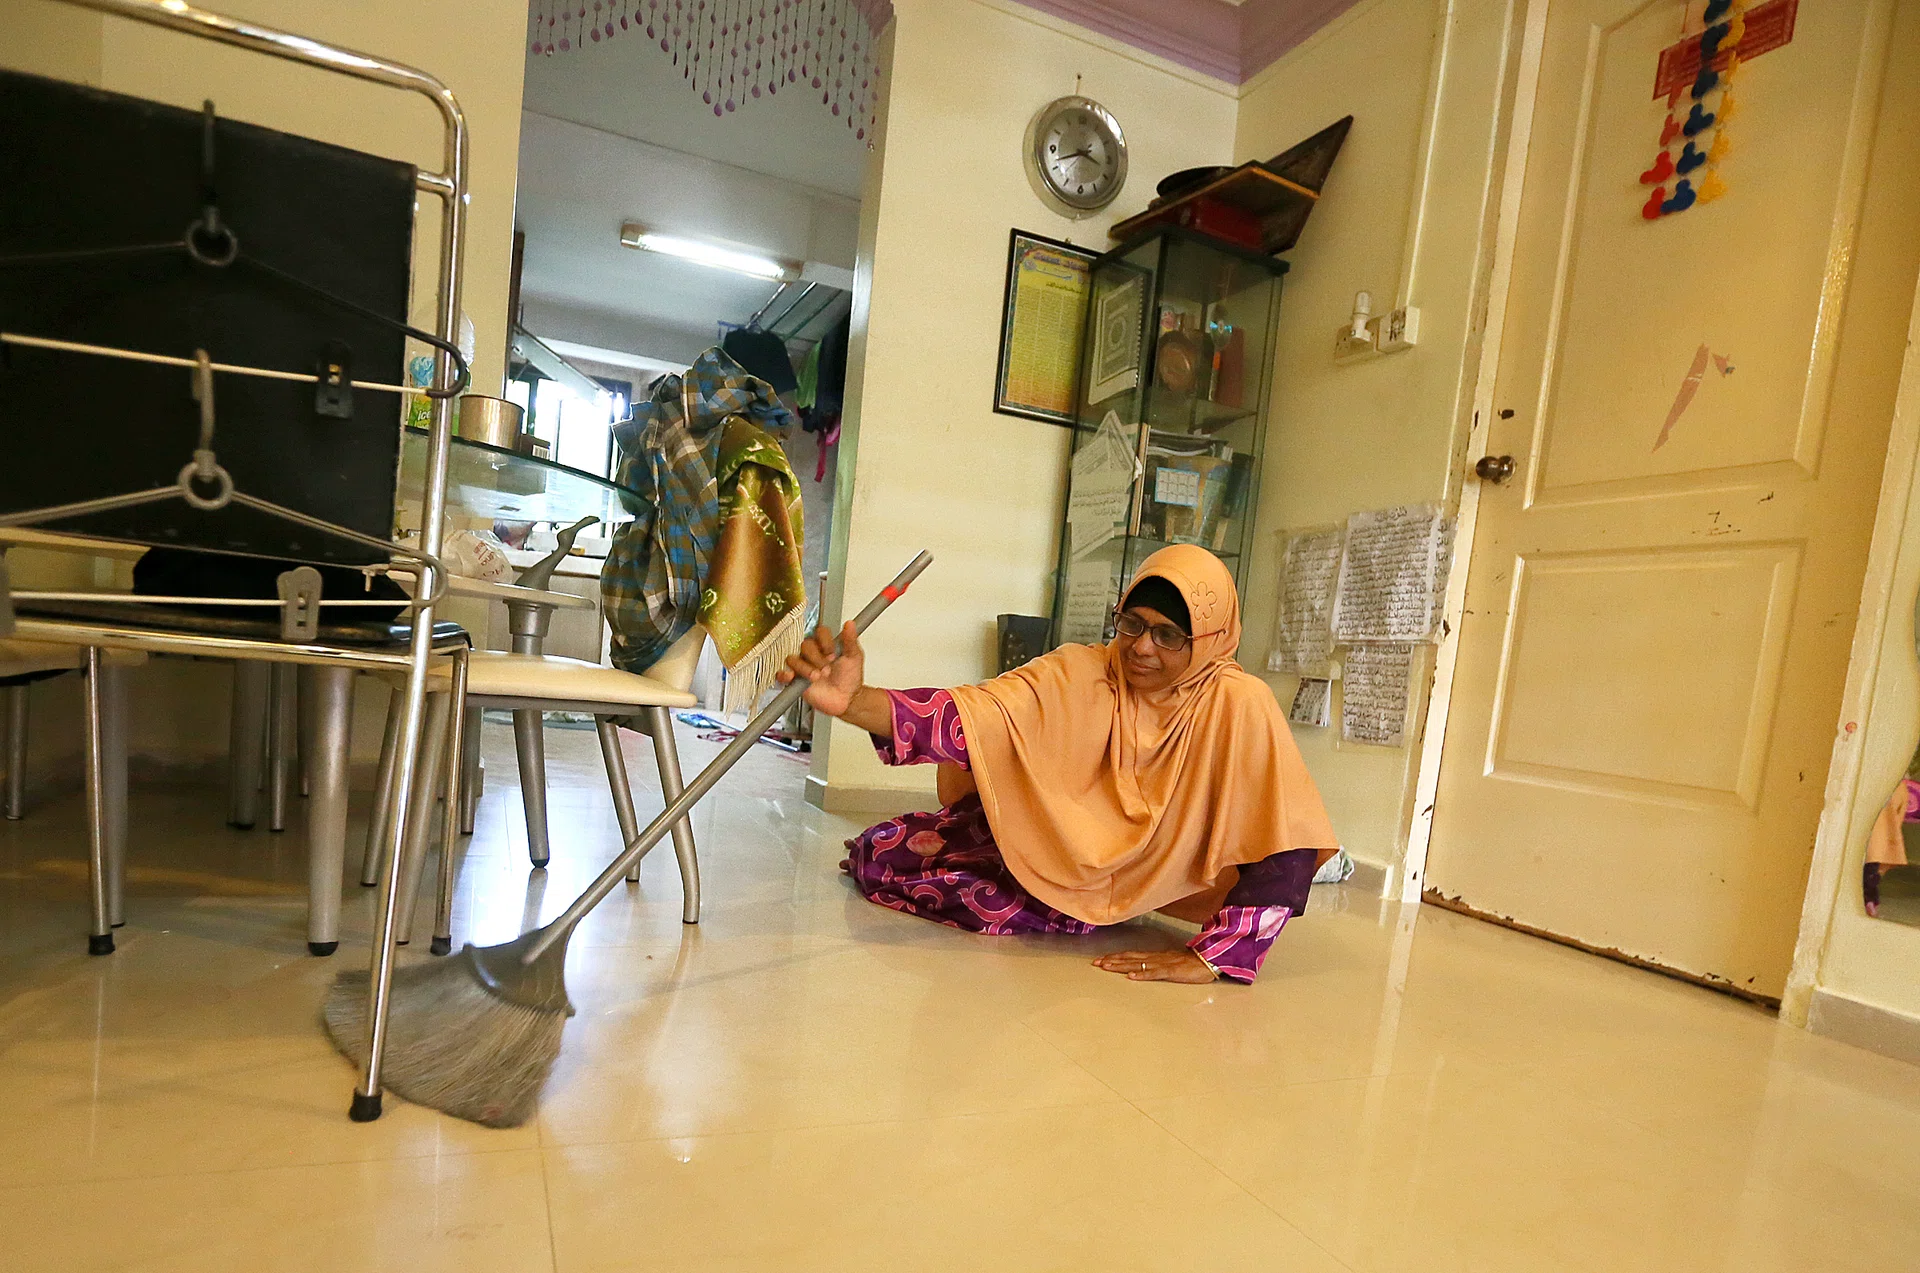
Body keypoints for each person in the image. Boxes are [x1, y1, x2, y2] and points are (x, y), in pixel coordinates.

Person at [779, 545, 1338, 983]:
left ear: (1211, 639)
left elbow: (1286, 838)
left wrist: (1220, 958)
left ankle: (1095, 907)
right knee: (884, 851)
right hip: (1060, 849)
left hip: (1149, 876)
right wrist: (854, 703)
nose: (1142, 648)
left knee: (983, 902)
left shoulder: (1237, 704)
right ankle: (1073, 895)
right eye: (1133, 624)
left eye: (1170, 635)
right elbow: (975, 717)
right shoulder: (1084, 671)